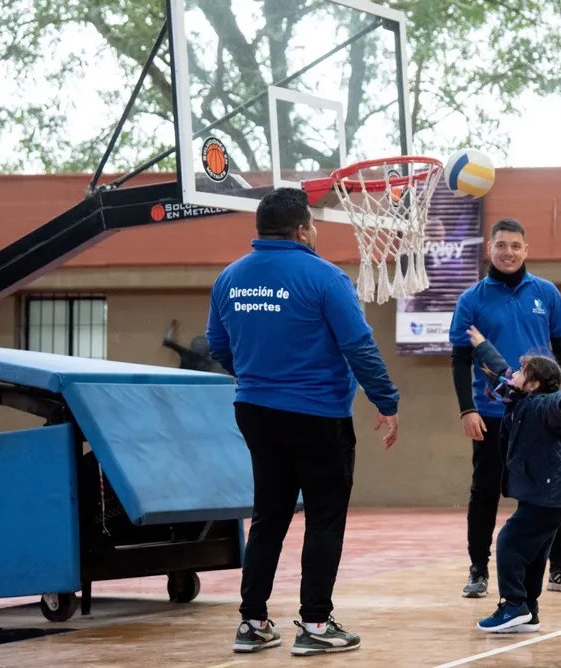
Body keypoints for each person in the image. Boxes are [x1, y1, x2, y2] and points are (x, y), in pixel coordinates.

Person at [206, 187, 400, 657]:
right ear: (301, 230)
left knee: (269, 515)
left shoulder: (230, 279)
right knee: (324, 518)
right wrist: (387, 401)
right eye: (312, 224)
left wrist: (256, 379)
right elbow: (358, 346)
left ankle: (252, 623)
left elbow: (217, 345)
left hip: (254, 410)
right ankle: (314, 622)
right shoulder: (326, 278)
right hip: (317, 416)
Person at [450, 218, 561, 598]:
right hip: (493, 414)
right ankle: (479, 569)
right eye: (500, 245)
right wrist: (467, 409)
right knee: (485, 491)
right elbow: (460, 360)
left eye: (515, 246)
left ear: (526, 250)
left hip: (542, 414)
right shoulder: (471, 300)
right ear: (489, 249)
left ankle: (559, 568)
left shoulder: (546, 292)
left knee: (552, 487)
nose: (507, 252)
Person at [463, 326, 561, 633]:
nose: (514, 373)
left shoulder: (542, 404)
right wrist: (481, 344)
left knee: (509, 541)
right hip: (545, 492)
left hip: (549, 493)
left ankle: (513, 604)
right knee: (533, 553)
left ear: (534, 384)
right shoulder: (518, 397)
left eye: (522, 371)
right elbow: (501, 373)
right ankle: (529, 610)